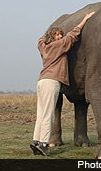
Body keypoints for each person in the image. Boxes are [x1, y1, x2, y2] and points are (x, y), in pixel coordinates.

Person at [30, 11, 95, 156]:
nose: (60, 37)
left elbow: (39, 40)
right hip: (52, 81)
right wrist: (84, 19)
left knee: (41, 113)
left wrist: (46, 36)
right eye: (57, 35)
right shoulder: (58, 45)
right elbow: (73, 34)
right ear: (53, 38)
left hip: (41, 81)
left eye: (60, 35)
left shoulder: (44, 47)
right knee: (48, 115)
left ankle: (36, 141)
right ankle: (44, 144)